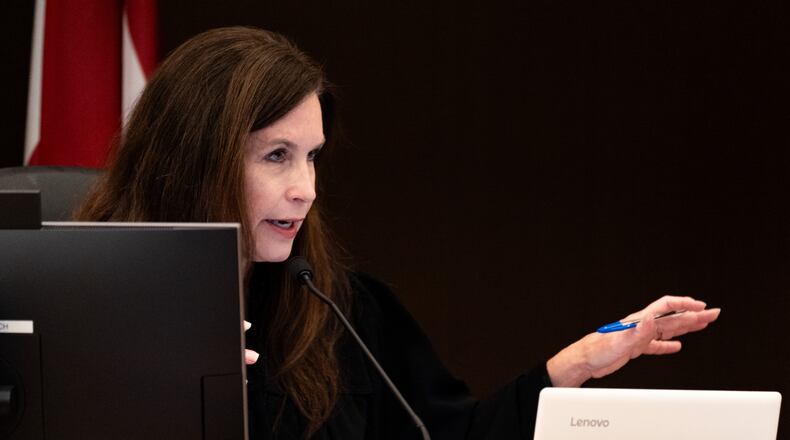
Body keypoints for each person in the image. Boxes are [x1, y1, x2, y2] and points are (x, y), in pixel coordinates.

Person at [76, 27, 720, 440]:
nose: (306, 188)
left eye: (313, 157)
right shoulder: (81, 312)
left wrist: (574, 366)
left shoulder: (344, 309)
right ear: (198, 157)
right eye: (276, 155)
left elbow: (443, 436)